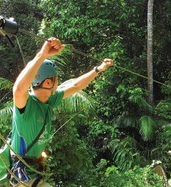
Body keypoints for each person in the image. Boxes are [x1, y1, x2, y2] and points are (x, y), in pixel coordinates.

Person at [10, 37, 113, 186]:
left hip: (33, 173)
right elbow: (18, 90)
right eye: (56, 79)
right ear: (47, 83)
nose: (58, 83)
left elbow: (76, 85)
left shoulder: (50, 100)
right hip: (22, 178)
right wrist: (42, 54)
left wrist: (98, 69)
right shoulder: (26, 105)